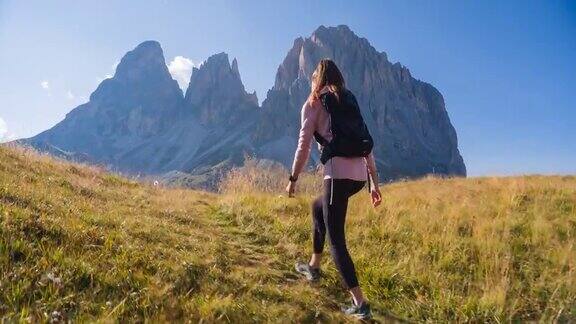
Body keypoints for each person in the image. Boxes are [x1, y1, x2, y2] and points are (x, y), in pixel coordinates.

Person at [285, 59, 382, 320]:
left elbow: (303, 147)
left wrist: (293, 178)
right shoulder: (348, 99)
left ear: (318, 78)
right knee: (318, 208)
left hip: (337, 176)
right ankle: (314, 266)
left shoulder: (313, 104)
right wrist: (374, 183)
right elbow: (365, 142)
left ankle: (360, 304)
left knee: (336, 239)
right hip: (358, 178)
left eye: (313, 76)